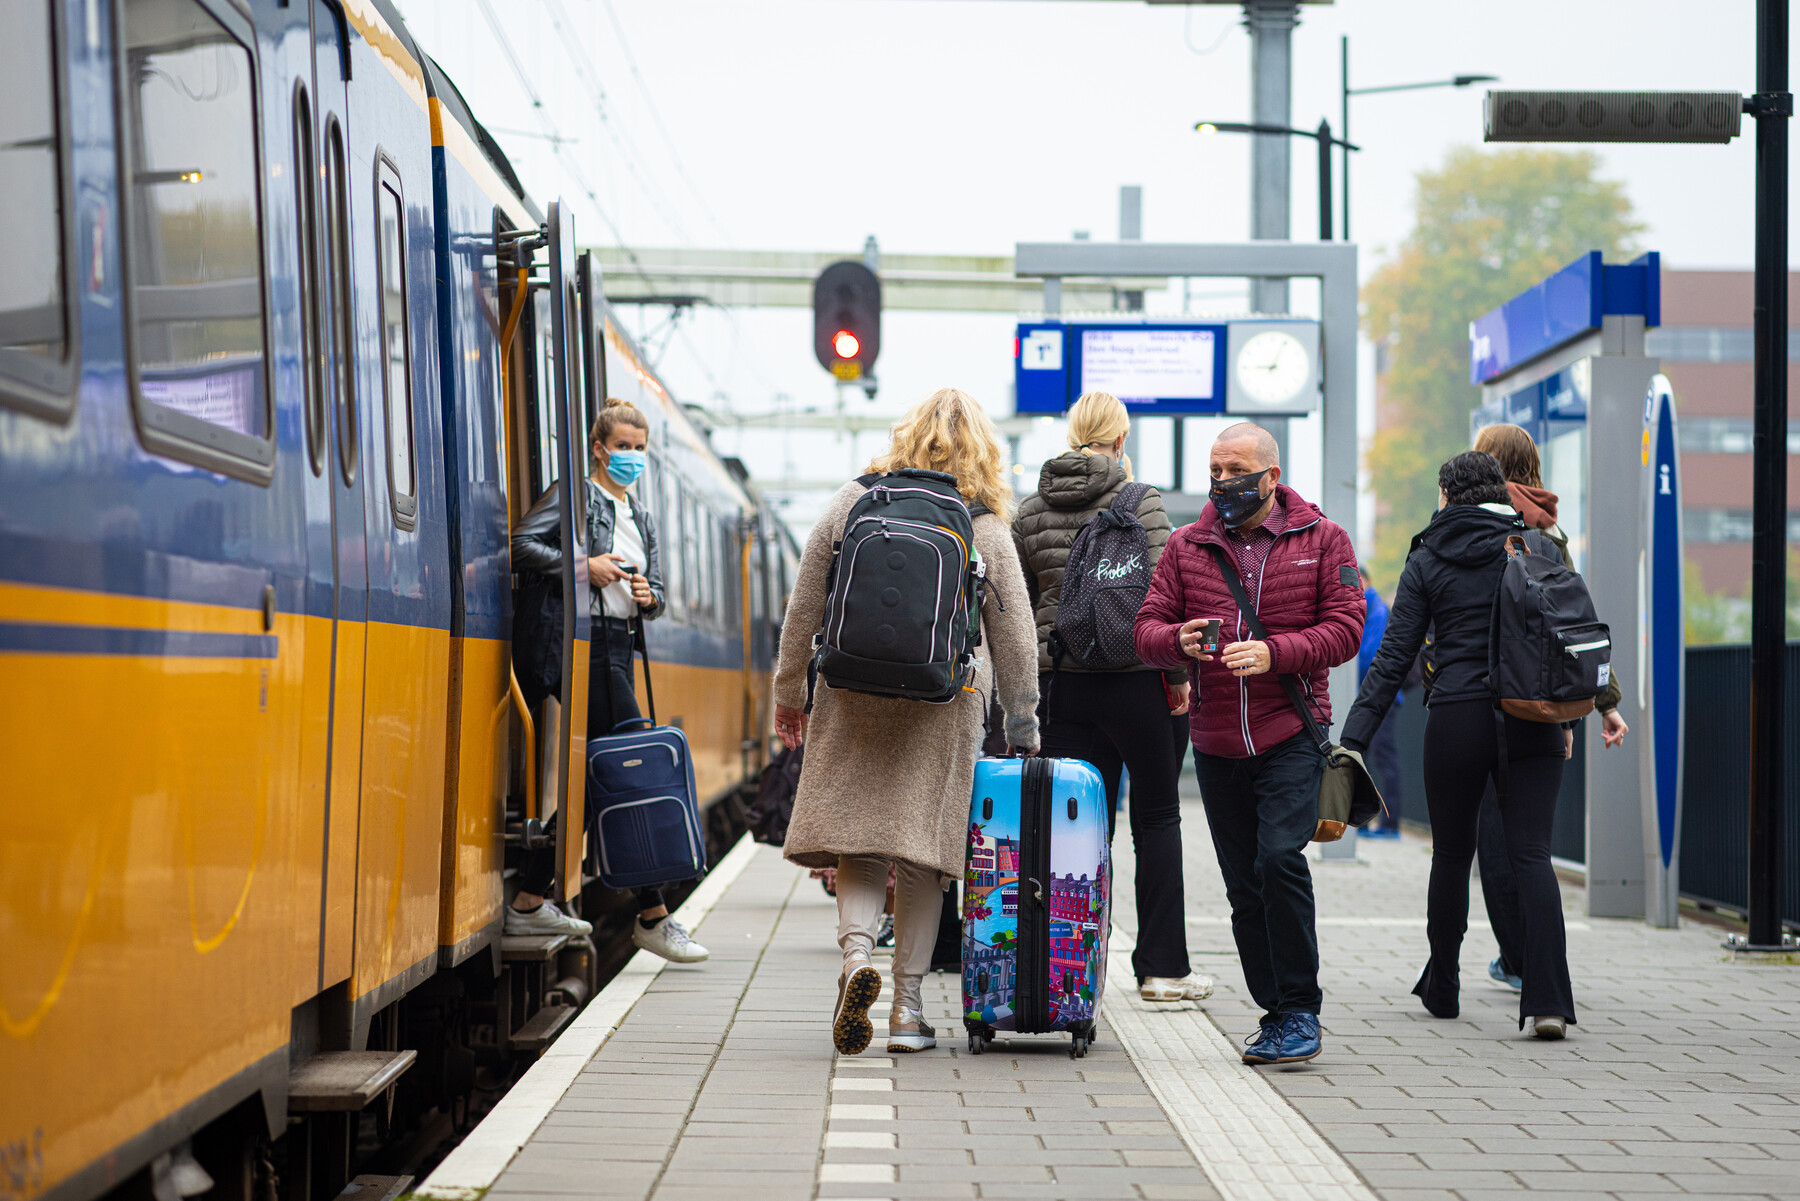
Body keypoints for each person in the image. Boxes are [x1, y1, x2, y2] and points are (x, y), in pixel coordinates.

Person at [771, 388, 1039, 1056]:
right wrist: (1024, 723)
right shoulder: (983, 523)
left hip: (850, 693)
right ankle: (906, 1011)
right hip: (945, 703)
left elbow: (804, 603)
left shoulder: (855, 500)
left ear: (906, 436)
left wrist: (788, 692)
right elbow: (1016, 637)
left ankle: (856, 957)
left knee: (859, 839)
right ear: (983, 448)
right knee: (924, 853)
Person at [1133, 423, 1364, 1066]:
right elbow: (1146, 627)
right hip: (1214, 744)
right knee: (1243, 886)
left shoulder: (1322, 539)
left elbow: (1347, 628)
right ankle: (1274, 1012)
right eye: (1215, 470)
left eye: (1236, 470)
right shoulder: (1187, 545)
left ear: (1271, 476)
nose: (1223, 481)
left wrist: (1274, 653)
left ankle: (1301, 1009)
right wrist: (1176, 640)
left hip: (1291, 732)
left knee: (1278, 860)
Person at [1342, 451, 1577, 1040]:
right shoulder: (1537, 548)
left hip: (1457, 716)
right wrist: (1573, 715)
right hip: (1532, 716)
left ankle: (1443, 985)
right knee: (1532, 854)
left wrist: (1352, 740)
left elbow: (1394, 657)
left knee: (1451, 855)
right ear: (1501, 491)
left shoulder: (1428, 555)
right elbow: (1568, 636)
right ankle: (1549, 1000)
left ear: (1446, 495)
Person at [1011, 391, 1210, 1004]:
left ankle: (1065, 974)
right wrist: (1177, 677)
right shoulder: (1141, 501)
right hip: (1138, 681)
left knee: (1072, 830)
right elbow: (1165, 595)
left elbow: (1018, 607)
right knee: (1157, 819)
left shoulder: (1030, 509)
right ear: (1120, 439)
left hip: (1062, 685)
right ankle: (1161, 970)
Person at [508, 397, 709, 964]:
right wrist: (582, 565)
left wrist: (648, 596)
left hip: (618, 646)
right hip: (580, 645)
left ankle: (529, 899)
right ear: (599, 449)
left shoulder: (639, 515)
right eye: (623, 447)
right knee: (629, 766)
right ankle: (653, 916)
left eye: (639, 449)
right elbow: (521, 545)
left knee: (600, 776)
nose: (632, 457)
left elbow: (657, 593)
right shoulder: (574, 496)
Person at [1469, 424, 1628, 993]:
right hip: (1542, 704)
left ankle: (1516, 961)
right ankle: (1539, 973)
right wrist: (1601, 704)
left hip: (1487, 700)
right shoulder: (1549, 532)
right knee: (1532, 847)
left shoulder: (1476, 525)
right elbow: (1573, 626)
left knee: (1494, 842)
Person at [1355, 564, 1405, 837]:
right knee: (1363, 758)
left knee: (1383, 759)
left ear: (1365, 580)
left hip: (1379, 696)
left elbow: (1368, 655)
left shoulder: (1375, 609)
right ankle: (1363, 823)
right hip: (1370, 696)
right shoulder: (1368, 607)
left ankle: (1389, 824)